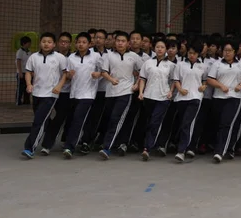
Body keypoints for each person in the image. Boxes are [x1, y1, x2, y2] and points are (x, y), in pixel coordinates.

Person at [21, 32, 68, 159]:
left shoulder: (59, 57)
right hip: (36, 93)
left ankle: (29, 148)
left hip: (50, 94)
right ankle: (48, 143)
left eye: (49, 42)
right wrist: (28, 84)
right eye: (44, 41)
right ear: (40, 43)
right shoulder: (33, 57)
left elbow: (65, 74)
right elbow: (28, 72)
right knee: (43, 120)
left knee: (38, 121)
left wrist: (59, 86)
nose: (46, 44)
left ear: (53, 44)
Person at [99, 32, 144, 160]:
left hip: (126, 92)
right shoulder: (109, 56)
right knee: (111, 119)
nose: (120, 43)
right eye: (118, 40)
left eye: (123, 41)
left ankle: (107, 147)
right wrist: (111, 79)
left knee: (116, 118)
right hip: (110, 92)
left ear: (128, 43)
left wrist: (136, 84)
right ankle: (120, 143)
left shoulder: (134, 56)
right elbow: (103, 72)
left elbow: (143, 72)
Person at [207, 41, 241, 163]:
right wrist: (220, 86)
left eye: (229, 50)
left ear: (235, 52)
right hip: (218, 97)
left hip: (234, 97)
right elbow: (210, 79)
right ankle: (229, 148)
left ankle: (220, 151)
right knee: (219, 124)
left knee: (226, 124)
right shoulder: (217, 64)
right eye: (225, 50)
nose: (227, 53)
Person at [62, 32, 103, 159]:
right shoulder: (71, 58)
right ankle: (84, 142)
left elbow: (105, 70)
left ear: (89, 44)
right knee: (80, 119)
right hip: (74, 93)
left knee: (78, 119)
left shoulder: (96, 56)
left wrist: (98, 74)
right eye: (79, 42)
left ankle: (70, 146)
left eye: (84, 42)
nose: (81, 44)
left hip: (88, 94)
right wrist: (69, 75)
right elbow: (67, 75)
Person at [138, 40, 176, 161]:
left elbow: (174, 81)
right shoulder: (148, 62)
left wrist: (171, 91)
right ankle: (152, 144)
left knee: (155, 121)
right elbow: (142, 78)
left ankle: (147, 148)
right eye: (157, 47)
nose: (160, 49)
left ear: (166, 50)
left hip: (163, 97)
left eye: (162, 47)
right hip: (148, 96)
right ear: (154, 48)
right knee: (150, 121)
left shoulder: (171, 65)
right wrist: (140, 92)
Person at [173, 40, 208, 162]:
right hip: (182, 97)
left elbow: (205, 81)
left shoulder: (203, 66)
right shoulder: (180, 65)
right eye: (190, 53)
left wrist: (203, 87)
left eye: (194, 53)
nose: (191, 55)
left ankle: (181, 150)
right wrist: (180, 89)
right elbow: (176, 80)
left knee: (187, 123)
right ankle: (189, 146)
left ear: (198, 54)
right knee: (184, 123)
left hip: (196, 97)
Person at [15, 35, 32, 106]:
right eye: (29, 43)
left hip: (27, 72)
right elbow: (18, 61)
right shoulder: (20, 51)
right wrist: (20, 72)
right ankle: (18, 101)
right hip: (21, 72)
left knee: (27, 87)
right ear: (24, 43)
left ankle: (26, 101)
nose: (30, 44)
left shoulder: (29, 52)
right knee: (20, 88)